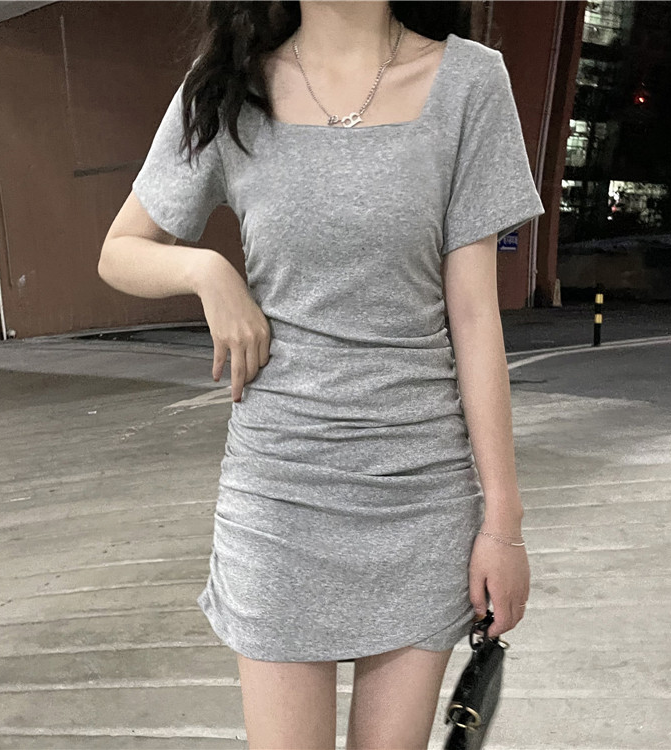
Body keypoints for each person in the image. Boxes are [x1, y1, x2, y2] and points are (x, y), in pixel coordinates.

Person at [98, 1, 544, 747]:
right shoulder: (228, 85)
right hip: (278, 493)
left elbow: (475, 317)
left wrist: (504, 523)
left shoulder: (470, 83)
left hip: (420, 493)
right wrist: (208, 272)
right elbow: (120, 250)